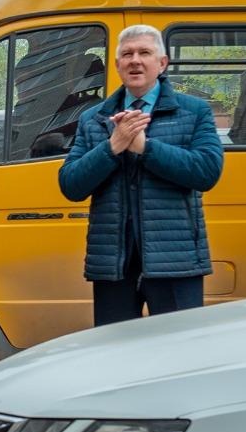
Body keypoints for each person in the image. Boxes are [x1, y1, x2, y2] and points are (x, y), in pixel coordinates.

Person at [58, 24, 224, 326]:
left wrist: (145, 148)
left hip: (176, 262)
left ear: (162, 63)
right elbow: (70, 184)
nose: (135, 60)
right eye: (127, 54)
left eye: (144, 53)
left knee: (181, 351)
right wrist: (112, 147)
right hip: (113, 265)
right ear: (118, 65)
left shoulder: (194, 111)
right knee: (117, 357)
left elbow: (207, 172)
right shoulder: (93, 118)